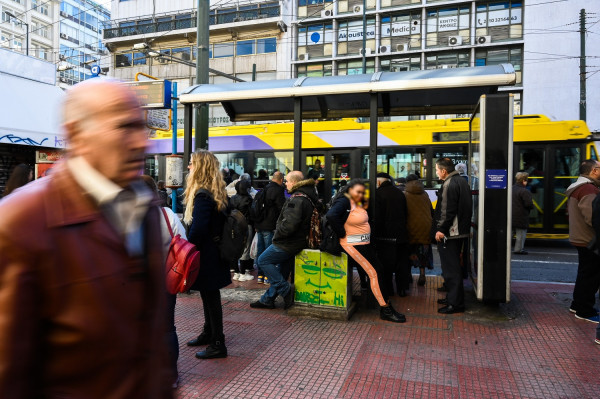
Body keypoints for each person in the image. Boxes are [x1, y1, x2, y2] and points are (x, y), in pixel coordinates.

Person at [0, 79, 172, 398]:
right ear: (77, 134)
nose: (141, 142)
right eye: (124, 127)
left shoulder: (143, 206)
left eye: (142, 127)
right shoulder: (19, 223)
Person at [327, 179, 406, 323]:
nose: (362, 193)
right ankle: (385, 309)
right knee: (375, 273)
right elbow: (331, 215)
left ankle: (385, 305)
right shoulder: (345, 201)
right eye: (358, 190)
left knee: (378, 271)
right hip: (352, 245)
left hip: (363, 244)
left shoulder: (358, 202)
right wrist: (342, 233)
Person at [184, 149, 232, 359]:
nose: (189, 167)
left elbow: (199, 228)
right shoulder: (215, 191)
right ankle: (208, 333)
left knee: (210, 297)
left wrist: (187, 248)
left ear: (200, 167)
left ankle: (217, 343)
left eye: (192, 163)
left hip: (206, 254)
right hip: (214, 252)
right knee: (208, 295)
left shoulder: (203, 194)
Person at [140, 175, 186, 389]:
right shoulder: (168, 215)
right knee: (167, 327)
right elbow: (184, 244)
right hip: (167, 279)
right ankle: (171, 375)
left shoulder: (129, 217)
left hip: (140, 284)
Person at [250, 171, 315, 309]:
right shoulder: (307, 196)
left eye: (288, 181)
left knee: (263, 260)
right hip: (296, 242)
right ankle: (267, 299)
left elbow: (289, 225)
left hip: (288, 243)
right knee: (282, 272)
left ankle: (286, 290)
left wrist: (277, 235)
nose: (285, 183)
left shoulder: (297, 199)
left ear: (295, 182)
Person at [433, 158, 472, 314]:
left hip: (451, 233)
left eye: (437, 170)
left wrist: (441, 229)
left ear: (444, 171)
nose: (436, 173)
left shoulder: (449, 184)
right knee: (454, 267)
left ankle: (455, 304)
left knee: (451, 269)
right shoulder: (461, 181)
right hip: (459, 230)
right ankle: (452, 298)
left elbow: (446, 211)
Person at [565, 159, 600, 323]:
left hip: (580, 237)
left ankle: (576, 304)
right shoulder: (588, 189)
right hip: (589, 239)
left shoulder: (577, 187)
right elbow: (592, 217)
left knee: (584, 274)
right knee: (591, 276)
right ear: (594, 171)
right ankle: (585, 310)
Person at [373, 172, 410, 297]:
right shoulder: (399, 193)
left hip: (386, 236)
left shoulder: (378, 194)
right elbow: (405, 213)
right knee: (401, 263)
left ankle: (389, 290)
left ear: (378, 182)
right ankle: (402, 289)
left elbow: (378, 217)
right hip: (401, 234)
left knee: (386, 265)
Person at [253, 171, 286, 284]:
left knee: (260, 251)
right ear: (281, 180)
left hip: (259, 224)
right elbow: (281, 208)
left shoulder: (264, 188)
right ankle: (268, 277)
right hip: (270, 224)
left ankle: (260, 276)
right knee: (268, 252)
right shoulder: (278, 190)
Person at [404, 174, 434, 286]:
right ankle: (422, 274)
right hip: (426, 227)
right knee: (423, 252)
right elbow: (431, 211)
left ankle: (409, 275)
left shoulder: (405, 194)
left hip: (410, 228)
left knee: (410, 252)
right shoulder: (425, 193)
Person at [230, 179, 255, 281]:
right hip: (246, 225)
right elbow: (252, 214)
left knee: (235, 248)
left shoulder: (232, 198)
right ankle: (243, 273)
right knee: (245, 249)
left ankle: (236, 272)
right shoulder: (248, 199)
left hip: (233, 225)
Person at [512, 172, 533, 255]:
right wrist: (532, 206)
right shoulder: (524, 191)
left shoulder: (511, 188)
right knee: (520, 234)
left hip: (511, 215)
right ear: (524, 181)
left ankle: (505, 248)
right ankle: (518, 249)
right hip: (521, 216)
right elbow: (528, 204)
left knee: (510, 233)